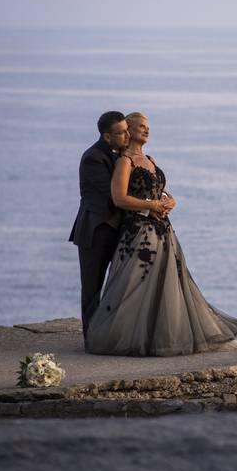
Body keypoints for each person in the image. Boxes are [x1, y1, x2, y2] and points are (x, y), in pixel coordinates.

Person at [85, 112, 237, 356]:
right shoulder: (125, 161)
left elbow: (159, 190)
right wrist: (152, 206)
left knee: (167, 285)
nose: (146, 130)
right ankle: (130, 338)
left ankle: (162, 335)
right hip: (139, 233)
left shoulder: (150, 159)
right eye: (141, 127)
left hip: (163, 231)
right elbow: (119, 198)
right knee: (136, 287)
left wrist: (168, 200)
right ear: (129, 130)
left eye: (148, 127)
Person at [70, 111, 134, 346]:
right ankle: (92, 339)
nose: (127, 135)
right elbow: (114, 194)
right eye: (122, 132)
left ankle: (111, 332)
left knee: (117, 284)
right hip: (96, 231)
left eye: (127, 129)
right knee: (92, 287)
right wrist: (149, 202)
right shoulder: (93, 158)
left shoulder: (120, 154)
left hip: (116, 231)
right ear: (107, 137)